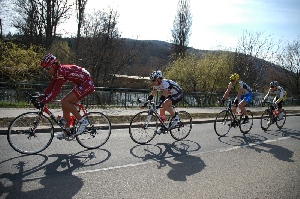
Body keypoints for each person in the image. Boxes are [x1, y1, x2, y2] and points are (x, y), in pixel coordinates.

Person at [37, 53, 95, 139]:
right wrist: (40, 98)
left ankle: (83, 121)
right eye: (45, 69)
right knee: (64, 103)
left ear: (54, 65)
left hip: (87, 83)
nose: (47, 71)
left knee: (65, 101)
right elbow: (50, 88)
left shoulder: (61, 72)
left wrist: (44, 101)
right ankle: (67, 131)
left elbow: (56, 91)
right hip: (81, 84)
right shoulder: (57, 73)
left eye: (48, 68)